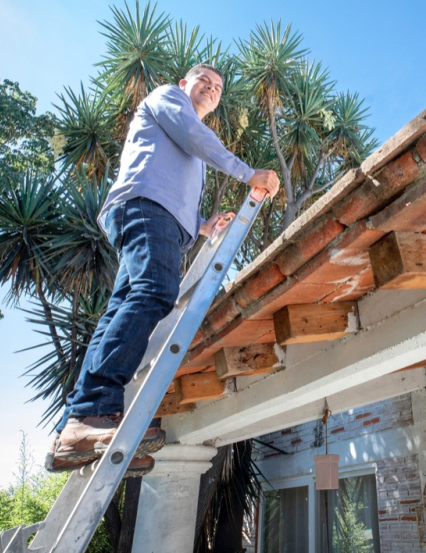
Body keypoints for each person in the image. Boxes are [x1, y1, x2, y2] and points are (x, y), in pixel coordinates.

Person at [46, 64, 279, 474]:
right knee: (155, 293)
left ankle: (76, 428)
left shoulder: (189, 141)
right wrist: (248, 173)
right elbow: (192, 138)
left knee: (123, 308)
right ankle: (93, 410)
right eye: (204, 81)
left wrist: (200, 228)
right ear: (184, 84)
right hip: (143, 208)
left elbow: (174, 184)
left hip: (158, 217)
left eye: (219, 88)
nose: (211, 88)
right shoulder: (167, 98)